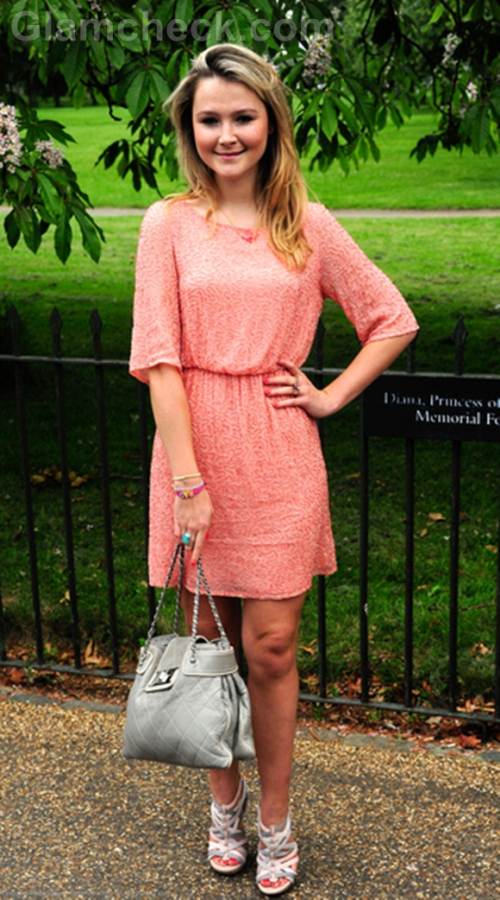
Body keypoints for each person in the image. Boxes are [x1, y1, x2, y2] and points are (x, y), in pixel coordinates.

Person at [128, 42, 419, 896]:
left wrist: (329, 399)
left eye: (242, 117)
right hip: (194, 449)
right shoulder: (167, 222)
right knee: (210, 644)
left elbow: (391, 319)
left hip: (280, 450)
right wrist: (188, 481)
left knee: (275, 645)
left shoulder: (309, 224)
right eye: (210, 119)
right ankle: (224, 806)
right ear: (190, 126)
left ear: (271, 122)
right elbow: (160, 359)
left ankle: (277, 820)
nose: (227, 134)